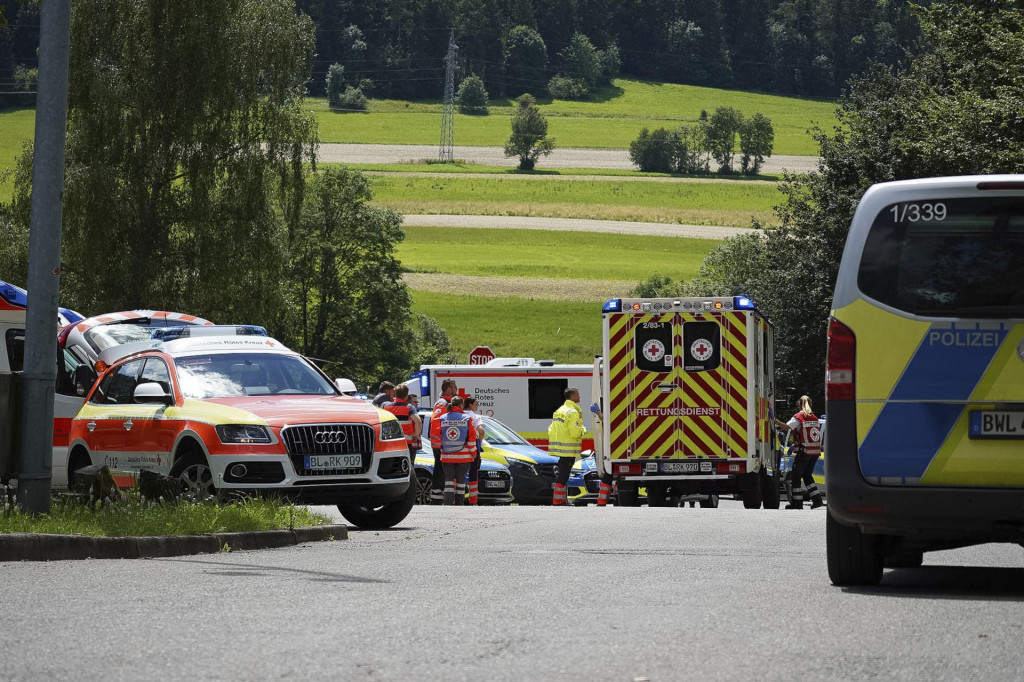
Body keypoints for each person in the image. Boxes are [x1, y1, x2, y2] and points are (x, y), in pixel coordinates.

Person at [774, 395, 825, 509]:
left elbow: (787, 427)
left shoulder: (799, 417)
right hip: (815, 453)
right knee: (807, 476)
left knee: (796, 477)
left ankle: (797, 503)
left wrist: (774, 420)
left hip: (804, 452)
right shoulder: (814, 417)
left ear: (799, 405)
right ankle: (817, 500)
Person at [548, 387, 585, 506]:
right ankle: (558, 500)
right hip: (568, 449)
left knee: (562, 474)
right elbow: (574, 432)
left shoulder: (560, 410)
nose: (579, 396)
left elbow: (551, 429)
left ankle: (560, 499)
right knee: (564, 475)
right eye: (578, 394)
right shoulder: (572, 412)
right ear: (572, 396)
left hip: (560, 448)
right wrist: (583, 430)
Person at [439, 396, 476, 505]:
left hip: (446, 456)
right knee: (461, 481)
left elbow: (438, 436)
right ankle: (459, 504)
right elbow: (471, 439)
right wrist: (473, 453)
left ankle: (448, 503)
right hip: (463, 457)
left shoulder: (442, 418)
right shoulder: (467, 419)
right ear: (461, 405)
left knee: (448, 481)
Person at [429, 379, 457, 504]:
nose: (456, 389)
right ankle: (436, 496)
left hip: (443, 443)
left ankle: (439, 495)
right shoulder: (442, 403)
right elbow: (435, 423)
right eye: (454, 387)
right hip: (440, 444)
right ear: (449, 389)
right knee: (440, 469)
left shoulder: (446, 402)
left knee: (443, 469)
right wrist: (443, 439)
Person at [382, 384, 421, 459]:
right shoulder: (409, 407)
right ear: (406, 395)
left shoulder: (387, 407)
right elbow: (418, 421)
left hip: (392, 441)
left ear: (395, 394)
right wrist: (416, 434)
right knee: (408, 463)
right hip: (407, 442)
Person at [463, 396, 486, 505]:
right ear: (470, 405)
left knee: (458, 473)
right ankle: (473, 500)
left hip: (460, 446)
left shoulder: (460, 415)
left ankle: (457, 498)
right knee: (473, 474)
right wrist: (479, 443)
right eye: (476, 403)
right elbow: (481, 431)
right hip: (473, 446)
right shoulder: (475, 417)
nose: (477, 405)